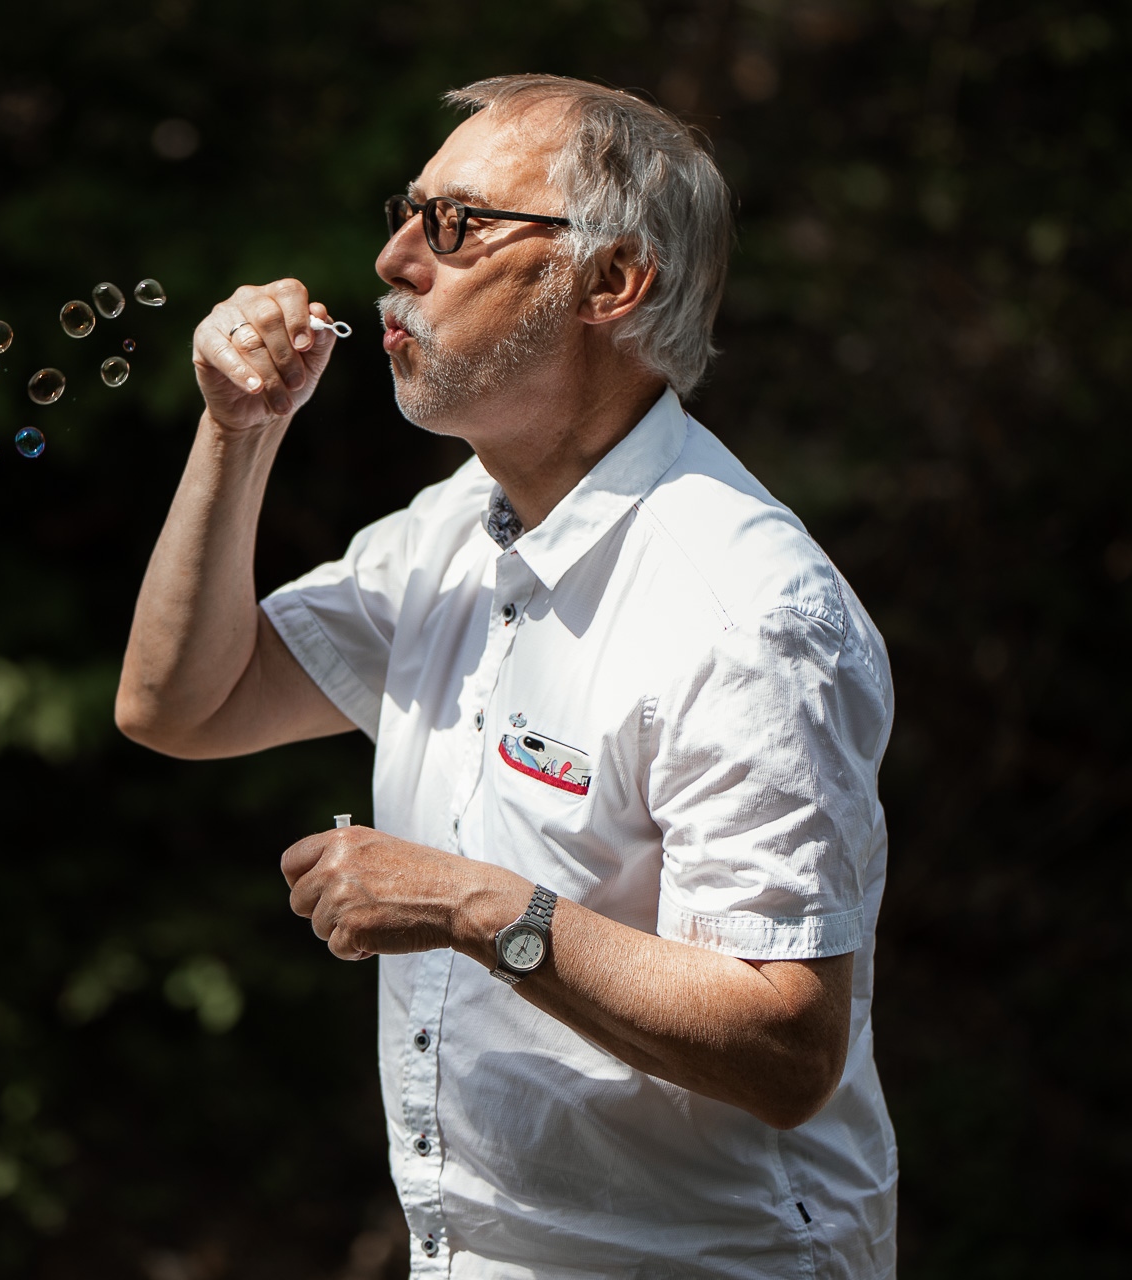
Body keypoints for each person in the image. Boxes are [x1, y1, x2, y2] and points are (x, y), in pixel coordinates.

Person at [115, 73, 896, 1279]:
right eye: (407, 211)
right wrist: (237, 432)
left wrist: (477, 908)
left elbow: (789, 1047)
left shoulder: (747, 610)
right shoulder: (451, 531)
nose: (391, 259)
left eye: (456, 222)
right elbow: (180, 702)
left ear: (611, 282)